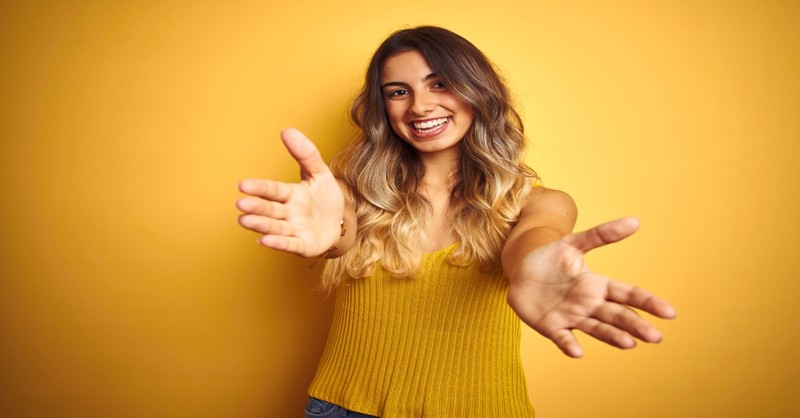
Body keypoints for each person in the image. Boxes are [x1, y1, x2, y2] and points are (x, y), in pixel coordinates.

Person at [236, 26, 676, 418]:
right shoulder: (350, 193)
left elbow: (537, 239)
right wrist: (329, 231)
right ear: (382, 107)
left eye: (440, 83)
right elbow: (339, 230)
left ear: (476, 91)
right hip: (342, 409)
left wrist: (536, 264)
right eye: (397, 91)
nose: (420, 105)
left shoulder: (538, 203)